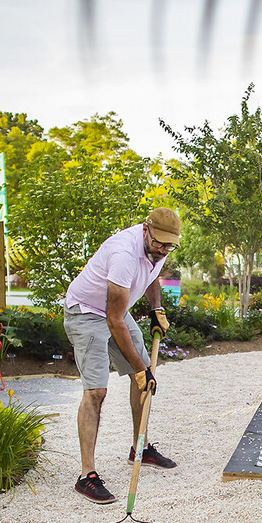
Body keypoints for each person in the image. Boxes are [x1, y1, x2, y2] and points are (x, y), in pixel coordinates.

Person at [63, 207, 180, 504]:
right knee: (96, 391)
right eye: (158, 244)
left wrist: (156, 310)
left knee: (141, 379)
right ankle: (86, 476)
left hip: (116, 311)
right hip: (87, 312)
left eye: (169, 246)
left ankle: (139, 447)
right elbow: (113, 321)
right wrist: (142, 369)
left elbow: (153, 273)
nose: (162, 250)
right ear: (145, 230)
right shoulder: (123, 255)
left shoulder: (160, 247)